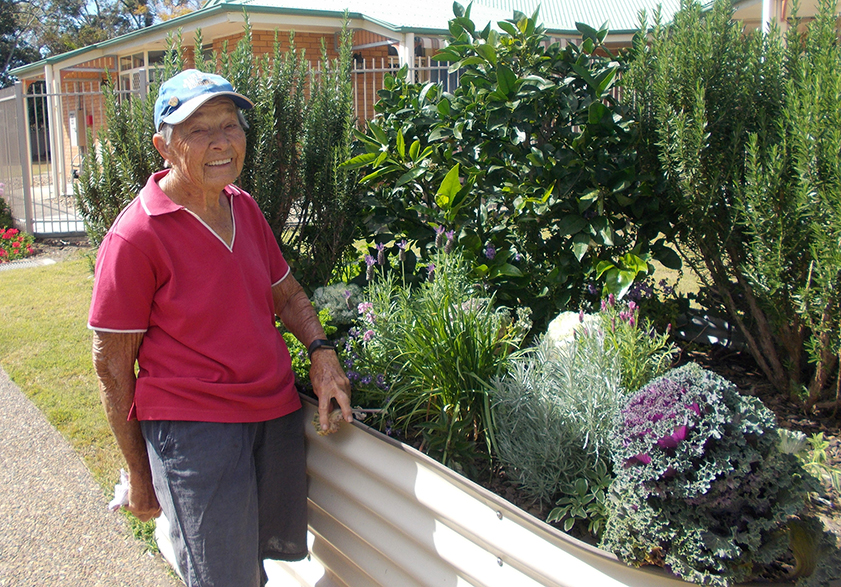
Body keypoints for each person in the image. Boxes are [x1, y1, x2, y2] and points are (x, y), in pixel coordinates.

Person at [88, 69, 352, 587]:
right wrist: (141, 477)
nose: (221, 142)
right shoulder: (135, 235)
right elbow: (111, 366)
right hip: (196, 433)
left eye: (230, 125)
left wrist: (322, 353)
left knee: (249, 567)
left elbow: (289, 295)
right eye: (199, 130)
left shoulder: (244, 207)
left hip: (271, 417)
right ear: (164, 145)